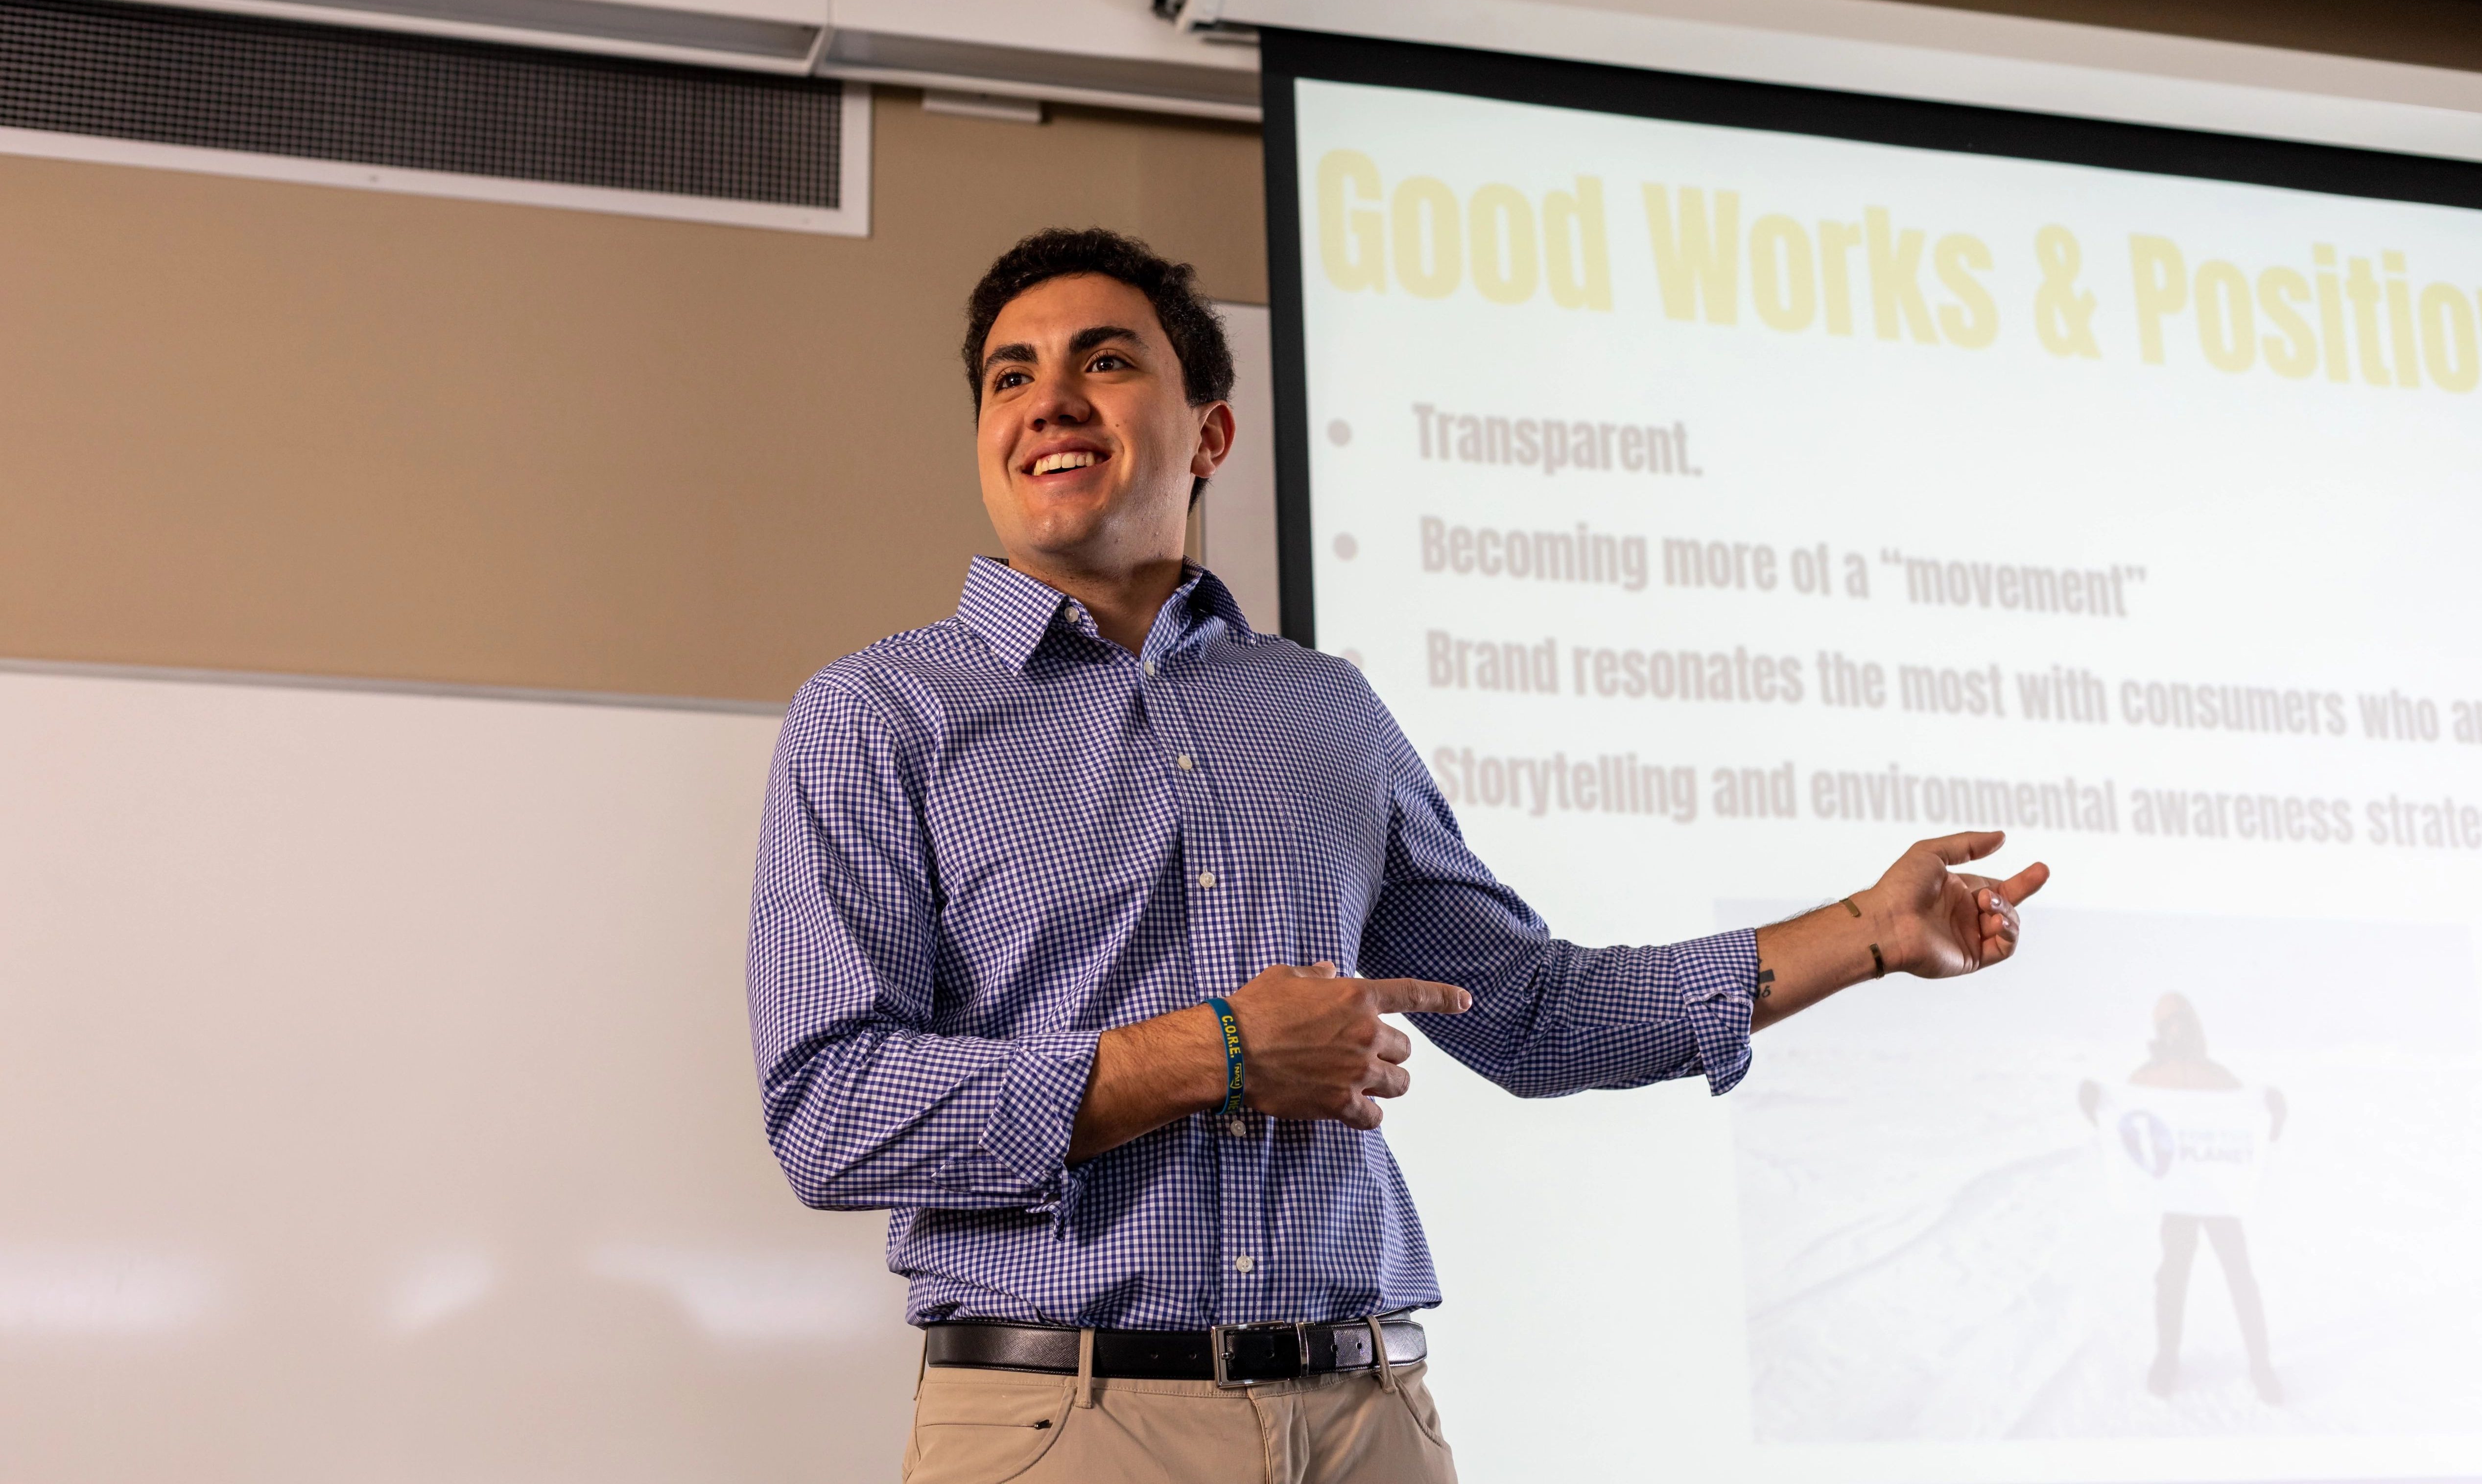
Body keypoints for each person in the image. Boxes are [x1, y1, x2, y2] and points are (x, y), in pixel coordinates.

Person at [746, 228, 2050, 1484]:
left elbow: (1533, 1014)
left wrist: (1867, 934)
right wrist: (1219, 1052)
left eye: (1106, 359)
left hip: (1368, 1419)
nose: (1048, 400)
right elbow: (828, 1113)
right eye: (1010, 376)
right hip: (1071, 1425)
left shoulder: (1327, 711)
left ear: (1211, 433)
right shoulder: (877, 716)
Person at [2080, 993, 2287, 1405]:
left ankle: (2261, 1365)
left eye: (2182, 1022)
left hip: (2220, 1195)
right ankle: (2167, 1359)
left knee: (2240, 1276)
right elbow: (2122, 1127)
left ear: (2193, 1025)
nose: (2177, 1030)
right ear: (2160, 1032)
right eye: (2168, 1025)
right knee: (2172, 1278)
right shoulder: (2148, 1079)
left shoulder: (2219, 1077)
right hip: (2177, 1197)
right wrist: (2093, 1105)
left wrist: (2274, 1113)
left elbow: (2252, 1132)